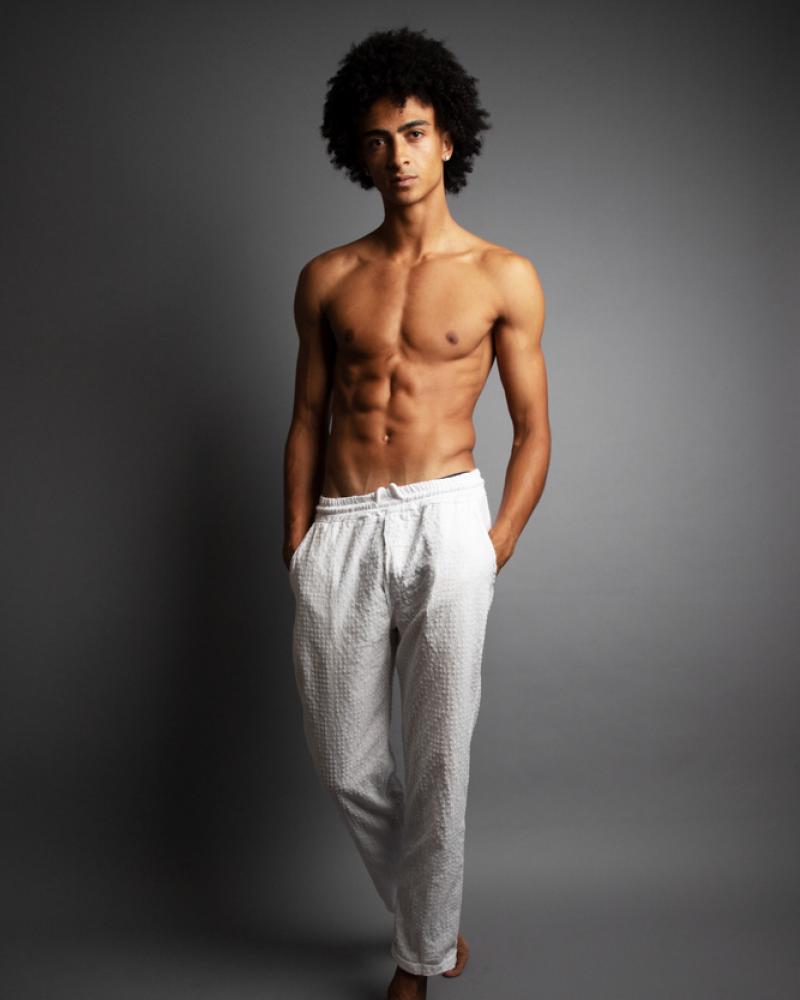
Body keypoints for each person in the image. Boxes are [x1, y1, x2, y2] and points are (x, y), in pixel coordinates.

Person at [282, 27, 550, 1000]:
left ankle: (416, 961)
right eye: (377, 140)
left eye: (413, 133)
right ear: (355, 153)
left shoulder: (500, 275)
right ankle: (428, 919)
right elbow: (306, 417)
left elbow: (533, 431)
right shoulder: (327, 278)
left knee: (438, 759)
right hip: (342, 522)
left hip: (446, 517)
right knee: (345, 761)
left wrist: (493, 542)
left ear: (447, 139)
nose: (396, 155)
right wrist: (297, 546)